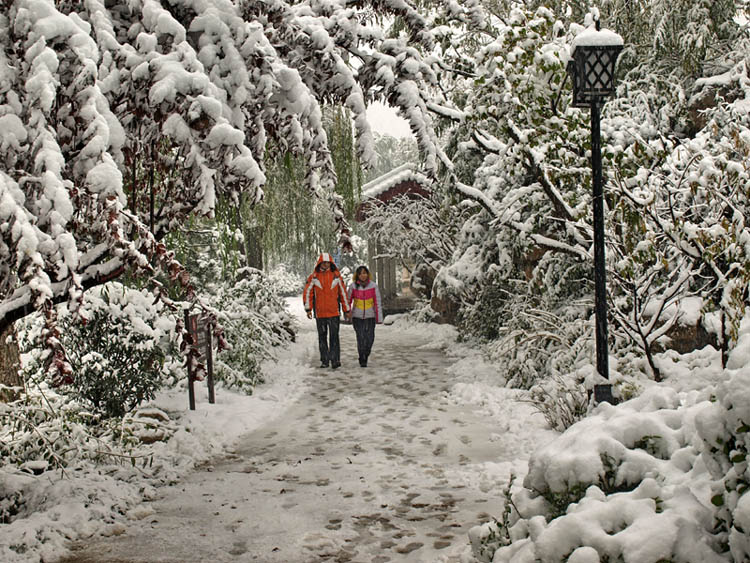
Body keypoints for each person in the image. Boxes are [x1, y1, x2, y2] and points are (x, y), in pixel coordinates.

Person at [303, 253, 351, 369]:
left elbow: (343, 294)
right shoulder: (314, 277)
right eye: (323, 263)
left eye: (327, 262)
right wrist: (308, 309)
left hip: (334, 312)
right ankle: (324, 360)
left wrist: (346, 309)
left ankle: (335, 360)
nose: (325, 264)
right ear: (320, 263)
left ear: (330, 263)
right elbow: (307, 293)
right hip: (320, 313)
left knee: (334, 337)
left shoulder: (336, 276)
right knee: (322, 337)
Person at [347, 265, 383, 367]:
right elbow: (348, 301)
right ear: (357, 275)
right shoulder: (353, 287)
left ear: (368, 274)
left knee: (370, 338)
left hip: (370, 316)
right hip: (357, 317)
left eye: (364, 273)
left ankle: (366, 353)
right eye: (360, 273)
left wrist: (379, 317)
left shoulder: (373, 286)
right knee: (361, 337)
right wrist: (348, 313)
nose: (363, 275)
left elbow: (377, 302)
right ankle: (362, 358)